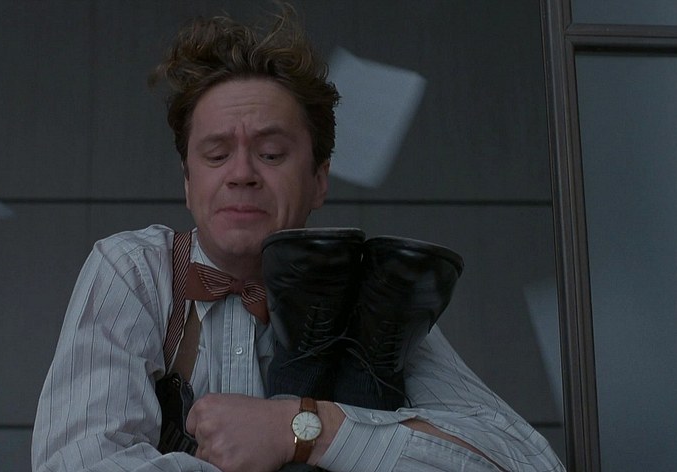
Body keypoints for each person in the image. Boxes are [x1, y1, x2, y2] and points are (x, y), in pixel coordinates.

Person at [31, 4, 564, 472]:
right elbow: (78, 463)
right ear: (188, 183)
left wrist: (303, 428)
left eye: (271, 153)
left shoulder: (373, 295)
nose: (242, 174)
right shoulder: (134, 270)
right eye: (216, 154)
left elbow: (529, 464)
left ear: (319, 181)